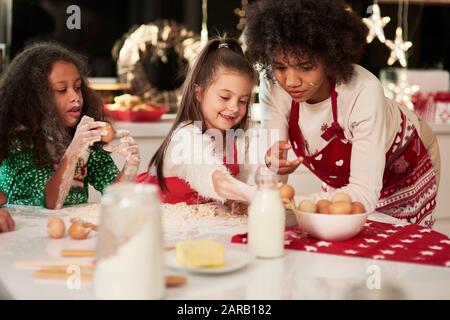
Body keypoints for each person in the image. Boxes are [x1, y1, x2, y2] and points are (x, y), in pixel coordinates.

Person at [245, 0, 440, 227]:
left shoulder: (362, 90)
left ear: (330, 59)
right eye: (280, 67)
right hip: (350, 181)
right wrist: (273, 167)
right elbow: (275, 170)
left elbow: (364, 193)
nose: (291, 81)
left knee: (399, 247)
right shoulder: (272, 84)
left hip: (406, 162)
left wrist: (292, 204)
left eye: (306, 66)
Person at [0, 42, 141, 209]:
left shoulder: (82, 136)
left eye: (77, 87)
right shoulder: (18, 140)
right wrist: (74, 150)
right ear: (35, 97)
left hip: (70, 230)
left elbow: (115, 195)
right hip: (27, 231)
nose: (75, 97)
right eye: (61, 90)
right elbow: (51, 202)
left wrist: (130, 166)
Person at [137, 38, 257, 205]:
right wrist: (255, 195)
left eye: (243, 100)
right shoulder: (186, 137)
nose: (234, 107)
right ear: (198, 93)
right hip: (155, 217)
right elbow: (215, 178)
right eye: (225, 97)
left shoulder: (235, 137)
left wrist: (236, 201)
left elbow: (238, 185)